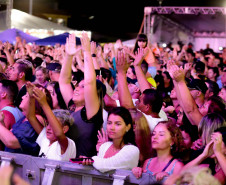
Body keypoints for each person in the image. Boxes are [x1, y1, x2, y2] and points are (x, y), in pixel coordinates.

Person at [59, 33, 104, 157]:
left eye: (82, 87)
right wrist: (69, 56)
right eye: (78, 85)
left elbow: (90, 82)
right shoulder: (73, 107)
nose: (77, 88)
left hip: (82, 170)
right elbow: (63, 82)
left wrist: (87, 53)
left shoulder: (91, 112)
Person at [26, 84, 76, 161]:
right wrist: (32, 97)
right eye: (48, 124)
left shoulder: (68, 143)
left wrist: (44, 103)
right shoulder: (45, 138)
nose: (48, 128)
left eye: (52, 125)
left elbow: (59, 134)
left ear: (64, 129)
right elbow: (31, 118)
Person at [82, 106, 140, 173]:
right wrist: (87, 162)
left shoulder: (132, 150)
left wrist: (92, 159)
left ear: (128, 127)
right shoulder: (105, 146)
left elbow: (103, 166)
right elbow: (98, 171)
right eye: (109, 123)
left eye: (118, 124)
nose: (112, 128)